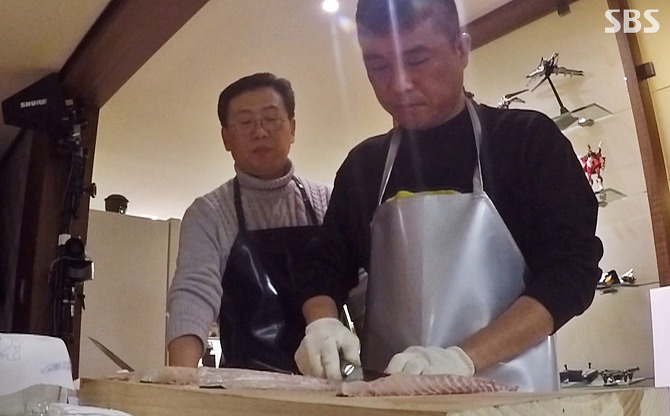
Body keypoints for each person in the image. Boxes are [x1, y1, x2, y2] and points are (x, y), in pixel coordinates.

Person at [294, 0, 603, 392]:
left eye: (417, 59)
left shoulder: (526, 142)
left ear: (461, 48)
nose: (398, 83)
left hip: (511, 398)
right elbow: (324, 264)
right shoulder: (364, 166)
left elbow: (570, 273)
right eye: (378, 65)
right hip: (392, 398)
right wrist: (322, 323)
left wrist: (460, 359)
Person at [166, 72, 333, 372]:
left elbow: (364, 291)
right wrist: (181, 377)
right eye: (245, 122)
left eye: (271, 119)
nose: (260, 132)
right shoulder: (208, 213)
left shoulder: (327, 202)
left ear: (292, 128)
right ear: (226, 138)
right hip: (243, 383)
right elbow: (194, 292)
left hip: (329, 378)